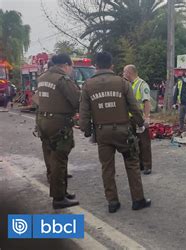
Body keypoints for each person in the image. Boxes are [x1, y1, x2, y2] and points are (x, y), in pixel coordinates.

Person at [79, 52, 151, 213]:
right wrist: (141, 123)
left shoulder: (88, 85)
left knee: (107, 167)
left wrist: (86, 130)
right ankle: (138, 199)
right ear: (111, 66)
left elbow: (84, 112)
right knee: (132, 164)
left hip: (102, 132)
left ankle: (112, 202)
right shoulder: (122, 83)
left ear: (96, 66)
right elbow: (134, 107)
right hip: (123, 131)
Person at [35, 54, 80, 209]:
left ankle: (62, 191)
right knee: (59, 160)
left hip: (43, 122)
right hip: (59, 124)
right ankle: (59, 198)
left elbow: (37, 99)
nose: (71, 70)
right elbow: (76, 100)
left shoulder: (42, 77)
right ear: (66, 65)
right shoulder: (62, 79)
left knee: (51, 158)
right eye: (71, 67)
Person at [123, 65, 153, 175]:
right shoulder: (127, 85)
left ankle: (147, 165)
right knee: (133, 142)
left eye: (124, 72)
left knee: (144, 142)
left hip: (139, 117)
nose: (123, 74)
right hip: (130, 118)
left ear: (129, 72)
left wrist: (146, 117)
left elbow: (146, 102)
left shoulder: (142, 84)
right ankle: (139, 164)